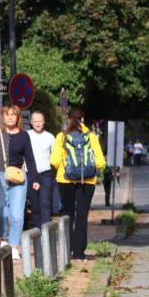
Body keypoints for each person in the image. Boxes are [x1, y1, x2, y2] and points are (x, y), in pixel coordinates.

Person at [51, 107, 106, 262]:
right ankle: (79, 253)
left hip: (65, 179)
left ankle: (66, 250)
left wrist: (65, 166)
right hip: (87, 181)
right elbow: (101, 162)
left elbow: (54, 161)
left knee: (67, 214)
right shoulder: (92, 136)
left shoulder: (61, 136)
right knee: (82, 215)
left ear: (69, 119)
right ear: (83, 119)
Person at [0, 105, 40, 260]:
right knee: (2, 212)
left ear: (18, 117)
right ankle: (4, 239)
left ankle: (14, 246)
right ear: (3, 116)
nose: (10, 117)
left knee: (17, 214)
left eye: (13, 115)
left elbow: (30, 158)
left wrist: (35, 179)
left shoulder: (23, 135)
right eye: (7, 114)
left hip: (18, 177)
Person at [27, 110, 56, 228]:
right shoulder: (26, 135)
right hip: (30, 174)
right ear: (31, 122)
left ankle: (45, 230)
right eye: (35, 121)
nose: (38, 124)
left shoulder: (50, 137)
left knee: (44, 202)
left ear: (44, 122)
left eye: (40, 121)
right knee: (34, 204)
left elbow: (55, 155)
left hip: (45, 174)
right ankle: (38, 229)